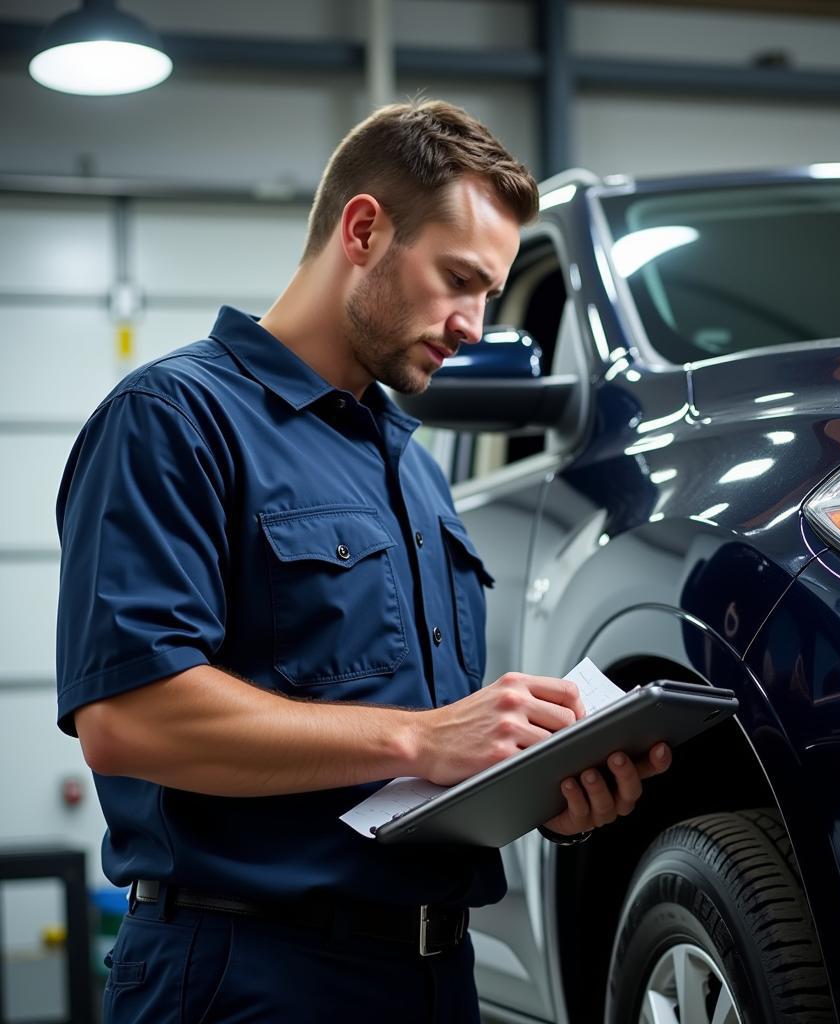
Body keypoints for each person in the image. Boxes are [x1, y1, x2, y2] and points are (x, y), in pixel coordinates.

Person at [55, 99, 671, 1023]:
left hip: (434, 978)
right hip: (247, 977)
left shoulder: (415, 471)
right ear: (364, 228)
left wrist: (536, 782)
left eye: (490, 296)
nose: (474, 324)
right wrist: (421, 737)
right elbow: (128, 716)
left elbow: (416, 767)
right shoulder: (174, 420)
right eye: (460, 279)